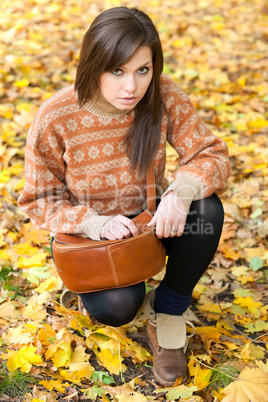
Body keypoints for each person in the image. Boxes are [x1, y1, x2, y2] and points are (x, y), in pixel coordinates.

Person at [18, 6, 231, 386]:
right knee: (117, 308)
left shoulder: (163, 96)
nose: (131, 87)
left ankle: (167, 311)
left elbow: (209, 154)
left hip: (153, 223)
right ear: (93, 63)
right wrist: (93, 224)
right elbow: (38, 198)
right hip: (93, 238)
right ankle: (111, 297)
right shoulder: (56, 115)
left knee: (207, 208)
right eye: (116, 70)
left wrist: (179, 194)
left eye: (142, 70)